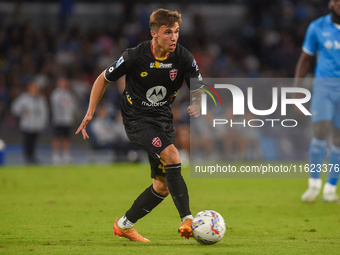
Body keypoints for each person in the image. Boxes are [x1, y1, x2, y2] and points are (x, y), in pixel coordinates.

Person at [76, 8, 202, 242]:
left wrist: (196, 103)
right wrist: (91, 111)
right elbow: (103, 78)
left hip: (163, 120)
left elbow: (198, 86)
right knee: (173, 156)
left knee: (162, 186)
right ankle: (187, 219)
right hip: (137, 119)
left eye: (176, 32)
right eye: (167, 32)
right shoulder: (135, 55)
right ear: (154, 33)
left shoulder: (183, 57)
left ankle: (124, 225)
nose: (173, 37)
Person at [295, 0, 340, 202]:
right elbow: (305, 59)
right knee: (320, 131)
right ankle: (314, 184)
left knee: (339, 139)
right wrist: (296, 88)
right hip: (323, 87)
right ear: (330, 3)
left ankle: (331, 188)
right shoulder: (317, 27)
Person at [11, 82, 48, 164]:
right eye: (33, 88)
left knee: (34, 141)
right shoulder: (24, 98)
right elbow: (15, 108)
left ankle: (32, 156)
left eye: (36, 89)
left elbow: (44, 112)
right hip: (27, 124)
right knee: (27, 141)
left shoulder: (41, 99)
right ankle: (27, 157)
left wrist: (43, 123)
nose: (35, 90)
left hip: (37, 124)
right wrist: (22, 112)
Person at [51, 76, 77, 164]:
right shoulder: (56, 93)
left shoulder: (69, 93)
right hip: (58, 119)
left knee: (67, 138)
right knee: (57, 138)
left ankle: (66, 155)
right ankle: (56, 155)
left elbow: (73, 105)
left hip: (68, 119)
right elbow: (56, 105)